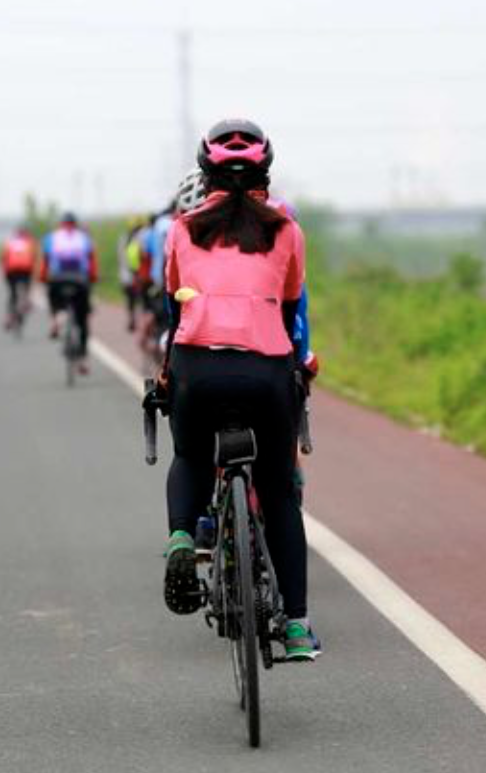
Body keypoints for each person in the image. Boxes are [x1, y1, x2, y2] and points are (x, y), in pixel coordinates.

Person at [158, 118, 321, 661]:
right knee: (277, 493)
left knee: (189, 455)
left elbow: (174, 305)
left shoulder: (182, 229)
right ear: (265, 173)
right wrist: (302, 367)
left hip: (197, 367)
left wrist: (168, 372)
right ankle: (296, 627)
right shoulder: (286, 231)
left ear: (204, 175)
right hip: (266, 372)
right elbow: (293, 305)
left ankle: (183, 537)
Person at [40, 211, 98, 374]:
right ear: (75, 224)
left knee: (53, 298)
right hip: (80, 281)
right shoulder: (84, 238)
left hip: (58, 280)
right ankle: (83, 360)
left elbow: (45, 262)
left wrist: (44, 278)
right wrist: (92, 278)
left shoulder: (52, 237)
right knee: (82, 320)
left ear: (61, 224)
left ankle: (57, 318)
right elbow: (92, 263)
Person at [0, 225, 38, 330]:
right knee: (27, 288)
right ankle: (27, 301)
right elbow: (34, 258)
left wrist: (2, 272)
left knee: (12, 294)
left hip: (11, 270)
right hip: (26, 269)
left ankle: (8, 318)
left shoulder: (10, 242)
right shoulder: (30, 241)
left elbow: (3, 257)